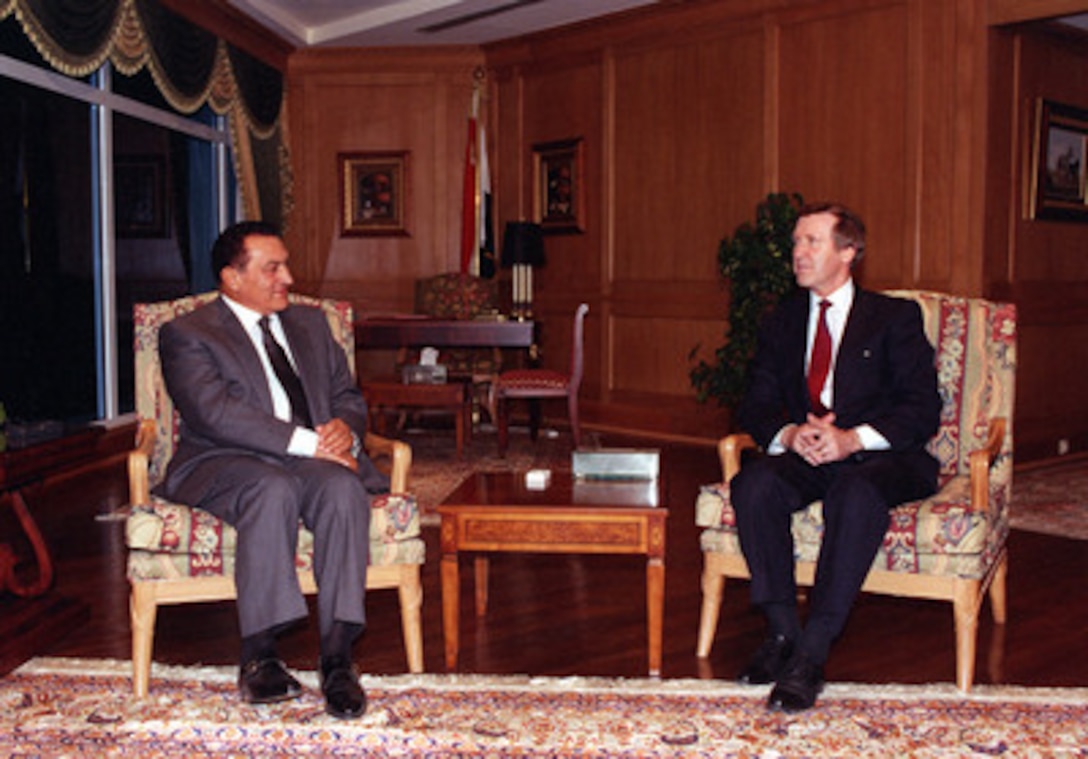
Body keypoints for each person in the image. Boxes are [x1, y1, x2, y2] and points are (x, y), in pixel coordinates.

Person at [156, 220, 387, 719]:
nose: (288, 276)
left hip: (309, 459)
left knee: (343, 490)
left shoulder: (311, 324)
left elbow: (348, 398)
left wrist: (343, 431)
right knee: (270, 486)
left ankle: (338, 657)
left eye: (286, 264)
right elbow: (214, 413)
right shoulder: (187, 333)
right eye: (272, 268)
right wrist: (310, 442)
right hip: (222, 460)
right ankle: (259, 656)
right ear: (231, 278)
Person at [731, 202, 941, 712]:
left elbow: (923, 408)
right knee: (754, 484)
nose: (797, 253)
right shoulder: (781, 320)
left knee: (856, 492)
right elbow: (754, 401)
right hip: (810, 454)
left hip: (883, 458)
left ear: (848, 252)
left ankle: (813, 651)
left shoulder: (893, 317)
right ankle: (782, 635)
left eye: (811, 242)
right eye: (796, 243)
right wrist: (788, 432)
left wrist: (853, 439)